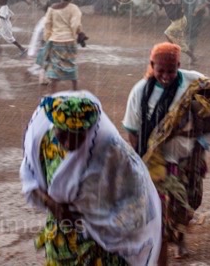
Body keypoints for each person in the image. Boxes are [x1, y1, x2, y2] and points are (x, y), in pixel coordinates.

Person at [21, 92, 162, 266]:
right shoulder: (44, 145)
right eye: (63, 133)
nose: (68, 142)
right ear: (53, 126)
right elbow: (30, 180)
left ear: (91, 129)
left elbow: (138, 198)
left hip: (101, 244)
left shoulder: (112, 151)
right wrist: (53, 205)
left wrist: (108, 224)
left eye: (77, 134)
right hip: (62, 240)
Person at [122, 43, 210, 262]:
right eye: (160, 70)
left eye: (171, 70)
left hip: (189, 157)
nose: (166, 76)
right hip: (157, 161)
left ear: (179, 66)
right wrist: (140, 160)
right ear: (152, 65)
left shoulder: (195, 82)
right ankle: (167, 244)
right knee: (161, 208)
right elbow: (132, 129)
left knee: (188, 201)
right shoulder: (140, 91)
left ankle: (177, 236)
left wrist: (202, 141)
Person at [38, 0, 85, 90]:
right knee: (71, 65)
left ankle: (53, 92)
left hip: (55, 41)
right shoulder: (74, 8)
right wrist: (78, 34)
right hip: (69, 42)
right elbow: (75, 24)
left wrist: (47, 39)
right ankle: (74, 90)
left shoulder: (52, 8)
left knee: (55, 67)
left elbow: (47, 25)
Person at [153, 0, 196, 64]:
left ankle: (173, 52)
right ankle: (192, 56)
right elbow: (156, 1)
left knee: (168, 33)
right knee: (180, 41)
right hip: (176, 21)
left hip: (179, 20)